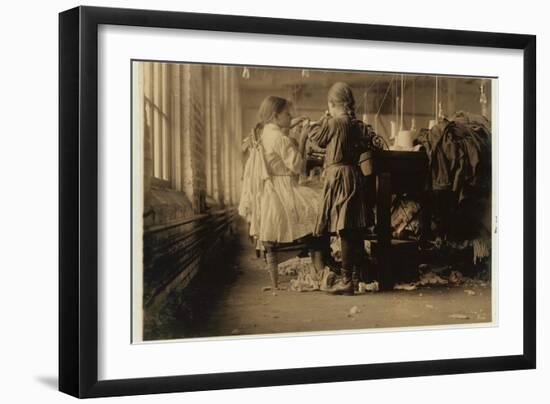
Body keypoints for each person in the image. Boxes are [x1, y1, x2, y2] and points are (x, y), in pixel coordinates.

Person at [238, 96, 323, 292]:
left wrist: (294, 123)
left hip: (269, 193)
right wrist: (302, 140)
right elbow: (298, 166)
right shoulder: (280, 139)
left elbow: (283, 131)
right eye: (287, 113)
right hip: (283, 191)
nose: (291, 116)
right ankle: (321, 265)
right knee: (321, 204)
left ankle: (319, 263)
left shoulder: (265, 133)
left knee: (317, 200)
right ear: (276, 116)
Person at [303, 82, 372, 295]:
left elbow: (316, 138)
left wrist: (322, 118)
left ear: (332, 104)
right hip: (354, 175)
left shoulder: (333, 123)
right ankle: (356, 277)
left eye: (329, 106)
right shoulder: (357, 124)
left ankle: (346, 281)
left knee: (344, 230)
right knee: (353, 229)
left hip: (339, 177)